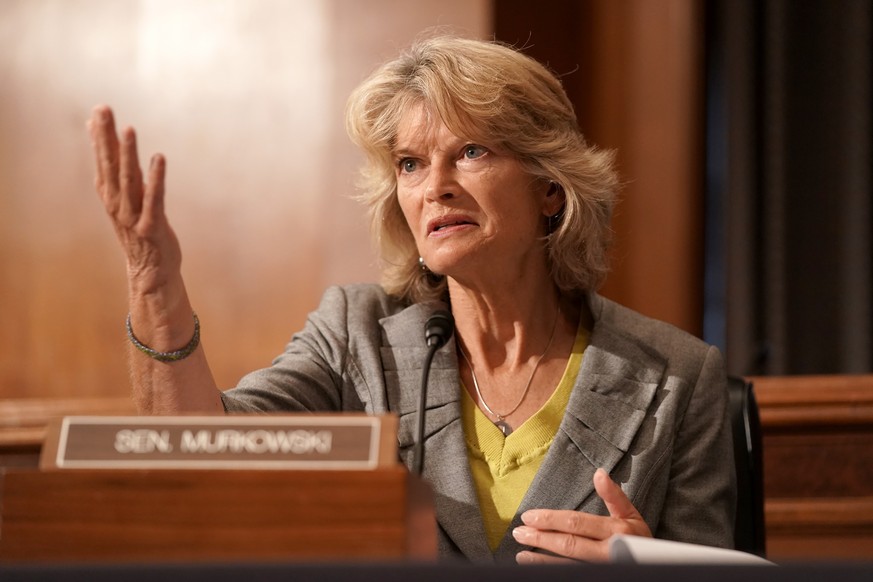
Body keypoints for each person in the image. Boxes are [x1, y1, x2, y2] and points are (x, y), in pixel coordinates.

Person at [88, 34, 735, 564]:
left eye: (471, 151)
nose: (435, 188)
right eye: (410, 164)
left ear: (549, 186)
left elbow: (712, 570)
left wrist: (653, 570)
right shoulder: (355, 335)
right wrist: (155, 285)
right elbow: (202, 455)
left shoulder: (676, 375)